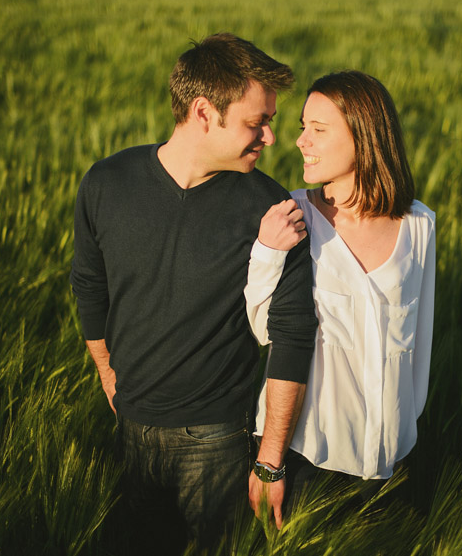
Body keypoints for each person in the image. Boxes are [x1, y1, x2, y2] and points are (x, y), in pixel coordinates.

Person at [69, 33, 317, 550]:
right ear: (204, 113)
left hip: (218, 440)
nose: (271, 138)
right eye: (258, 122)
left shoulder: (271, 211)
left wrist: (269, 460)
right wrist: (109, 375)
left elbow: (292, 336)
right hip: (129, 426)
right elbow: (91, 288)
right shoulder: (106, 184)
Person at [245, 70, 436, 516]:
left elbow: (419, 341)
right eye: (302, 128)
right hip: (307, 459)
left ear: (364, 138)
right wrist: (268, 252)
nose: (300, 141)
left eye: (318, 130)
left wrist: (403, 428)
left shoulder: (419, 226)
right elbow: (262, 330)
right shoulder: (293, 220)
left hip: (391, 464)